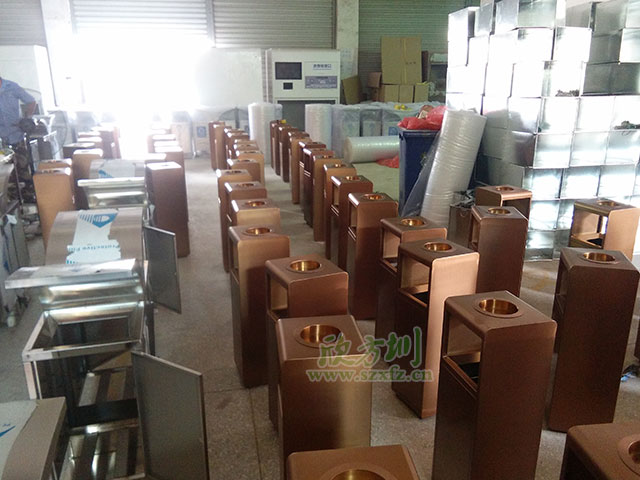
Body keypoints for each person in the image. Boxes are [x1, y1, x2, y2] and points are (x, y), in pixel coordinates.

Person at [0, 75, 37, 147]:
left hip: (17, 136)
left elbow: (31, 101)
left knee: (21, 153)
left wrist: (27, 119)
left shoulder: (12, 87)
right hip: (1, 139)